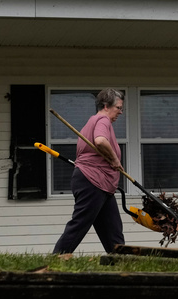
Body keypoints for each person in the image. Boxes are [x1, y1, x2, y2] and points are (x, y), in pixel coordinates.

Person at [53, 88, 125, 254]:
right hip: (93, 181)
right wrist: (115, 159)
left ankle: (120, 261)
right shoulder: (102, 120)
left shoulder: (94, 121)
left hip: (102, 184)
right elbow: (100, 141)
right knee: (80, 223)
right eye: (118, 108)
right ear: (106, 106)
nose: (120, 112)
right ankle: (58, 257)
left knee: (112, 228)